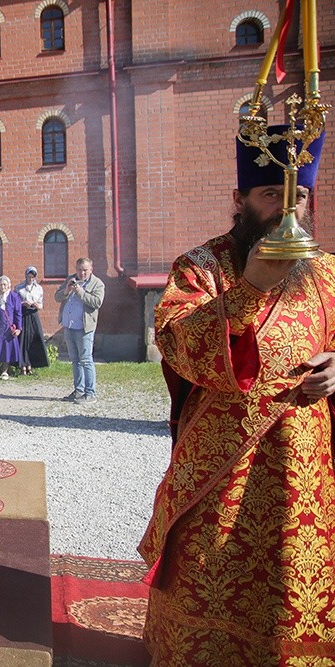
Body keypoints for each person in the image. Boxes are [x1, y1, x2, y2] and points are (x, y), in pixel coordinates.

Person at [139, 126, 335, 663]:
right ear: (240, 199)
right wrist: (250, 289)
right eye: (271, 194)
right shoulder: (201, 267)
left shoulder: (326, 272)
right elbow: (178, 345)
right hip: (221, 466)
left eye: (298, 196)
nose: (286, 211)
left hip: (304, 466)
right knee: (210, 569)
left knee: (292, 573)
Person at [55, 257, 104, 404]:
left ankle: (90, 393)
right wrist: (67, 290)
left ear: (91, 269)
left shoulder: (97, 284)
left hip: (84, 328)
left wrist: (80, 292)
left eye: (85, 270)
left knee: (86, 360)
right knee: (75, 360)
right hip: (69, 326)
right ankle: (79, 390)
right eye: (79, 270)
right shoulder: (70, 280)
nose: (82, 273)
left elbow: (97, 302)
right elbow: (57, 297)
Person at [0, 275, 22, 380]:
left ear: (9, 285)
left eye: (5, 284)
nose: (2, 287)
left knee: (7, 350)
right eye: (1, 284)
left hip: (8, 329)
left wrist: (19, 328)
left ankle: (5, 372)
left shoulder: (14, 297)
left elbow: (18, 313)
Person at [16, 266, 49, 375]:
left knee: (33, 340)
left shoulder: (39, 288)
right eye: (29, 276)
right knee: (22, 340)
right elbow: (15, 302)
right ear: (26, 276)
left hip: (33, 314)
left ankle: (30, 365)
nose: (30, 278)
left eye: (32, 276)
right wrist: (23, 303)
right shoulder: (19, 288)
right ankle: (22, 366)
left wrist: (36, 305)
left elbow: (41, 305)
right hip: (23, 314)